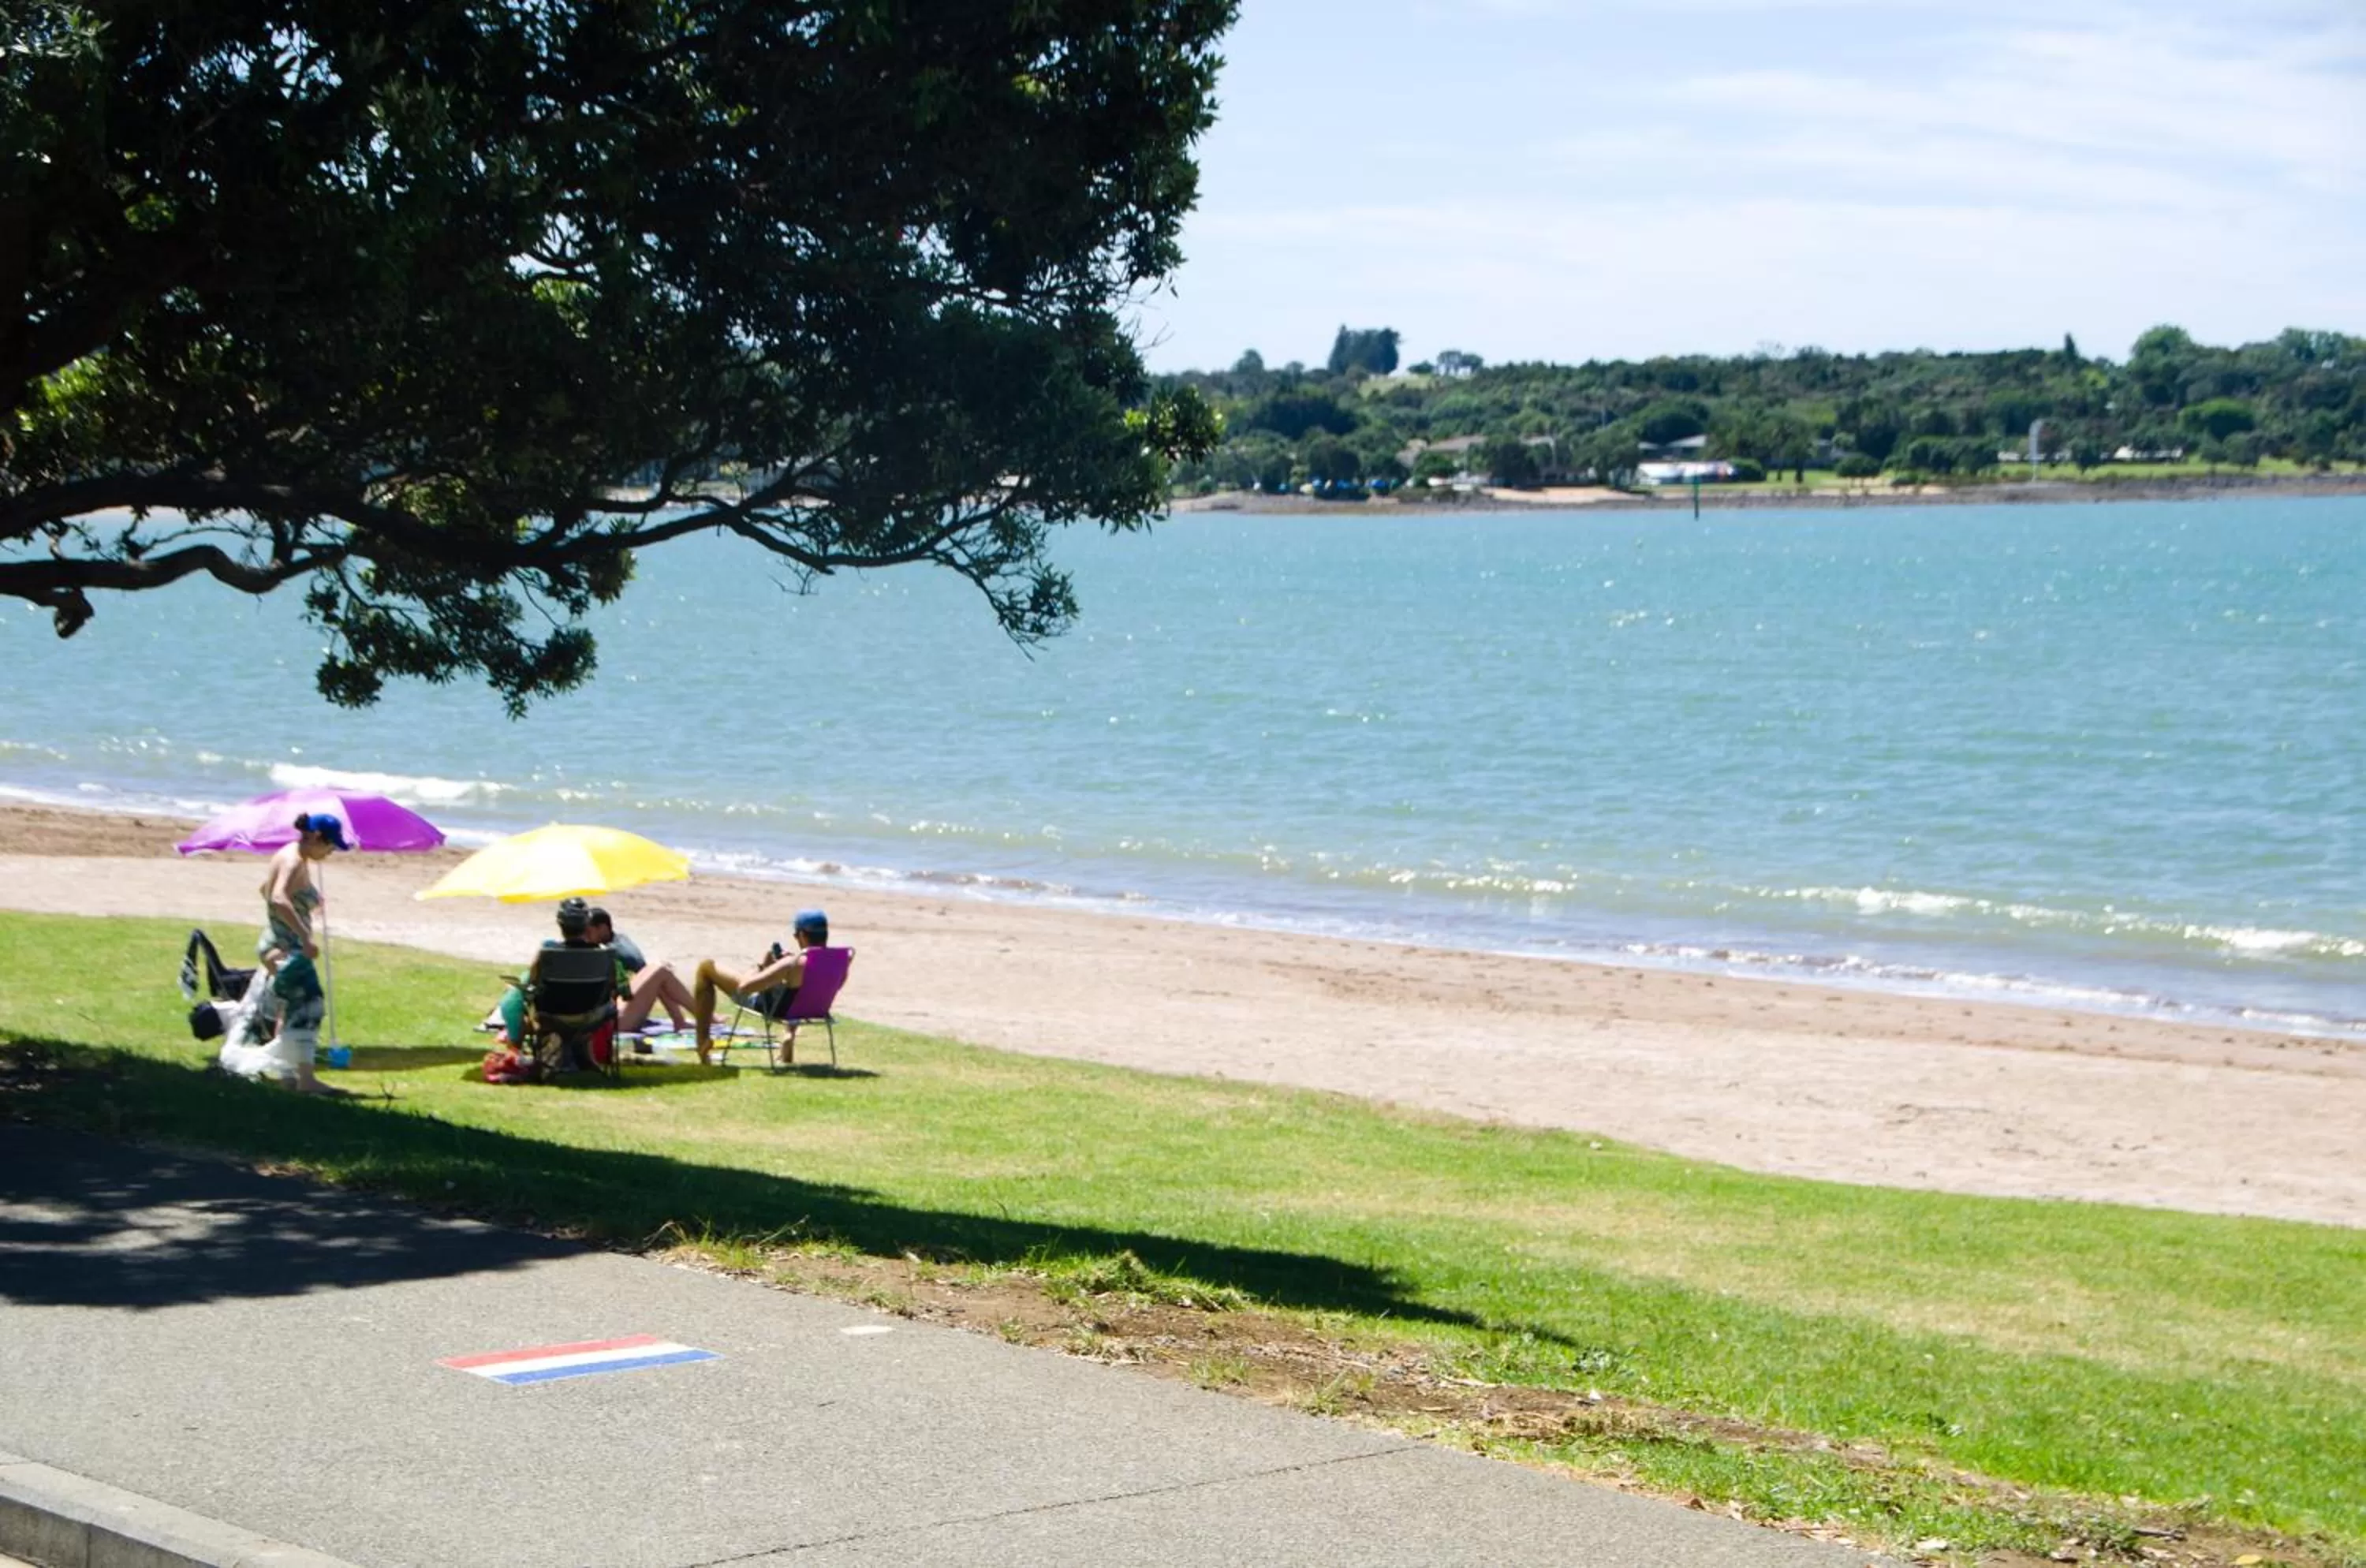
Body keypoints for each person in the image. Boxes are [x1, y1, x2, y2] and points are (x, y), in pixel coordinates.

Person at [218, 812, 348, 1092]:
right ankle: (307, 1080)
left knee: (287, 1009)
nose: (331, 851)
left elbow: (264, 889)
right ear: (315, 837)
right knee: (308, 1005)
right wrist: (304, 936)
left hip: (274, 942)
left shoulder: (290, 854)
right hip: (287, 947)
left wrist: (308, 900)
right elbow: (277, 897)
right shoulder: (293, 860)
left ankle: (288, 1076)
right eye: (330, 845)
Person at [690, 908, 828, 1065]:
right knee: (793, 990)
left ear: (802, 935)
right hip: (812, 1010)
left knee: (706, 968)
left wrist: (761, 966)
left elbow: (744, 987)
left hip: (769, 1007)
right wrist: (777, 970)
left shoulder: (794, 963)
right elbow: (801, 991)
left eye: (796, 935)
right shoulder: (838, 962)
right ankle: (789, 1033)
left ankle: (702, 1043)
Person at [584, 905, 692, 1038]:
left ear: (603, 929)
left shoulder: (616, 953)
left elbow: (640, 979)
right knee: (659, 971)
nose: (586, 937)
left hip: (613, 1016)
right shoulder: (617, 943)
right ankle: (692, 1017)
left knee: (659, 971)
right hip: (611, 1020)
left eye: (589, 932)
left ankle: (685, 1019)